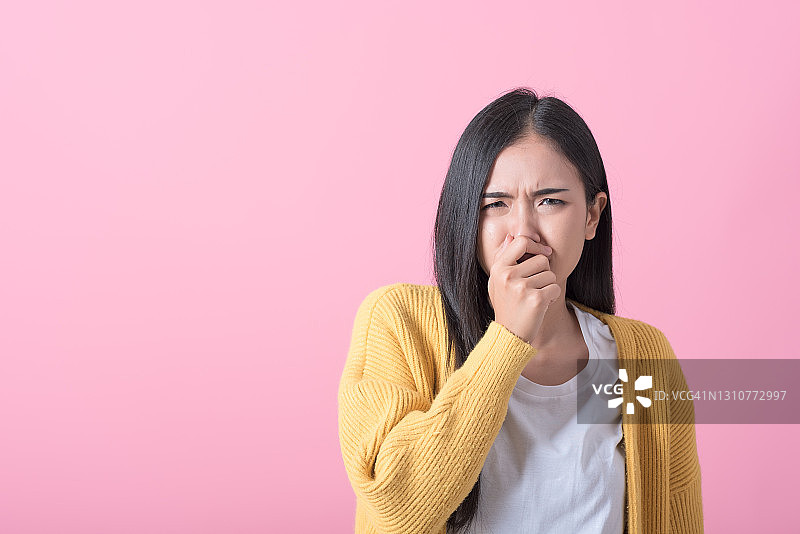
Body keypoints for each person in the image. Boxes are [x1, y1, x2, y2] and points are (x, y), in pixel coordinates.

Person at [337, 87, 703, 534]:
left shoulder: (644, 358)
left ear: (592, 216)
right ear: (467, 219)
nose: (523, 232)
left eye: (550, 201)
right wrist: (508, 339)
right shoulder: (397, 321)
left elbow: (678, 516)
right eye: (496, 205)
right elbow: (397, 506)